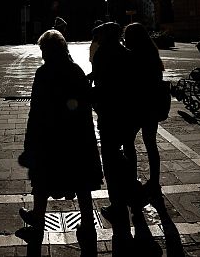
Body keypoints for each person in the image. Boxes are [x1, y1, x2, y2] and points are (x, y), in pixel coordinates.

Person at [15, 30, 102, 255]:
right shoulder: (76, 70)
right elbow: (86, 103)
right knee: (81, 182)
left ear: (49, 51)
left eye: (44, 50)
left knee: (42, 180)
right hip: (76, 137)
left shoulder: (43, 73)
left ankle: (37, 223)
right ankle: (88, 225)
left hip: (50, 137)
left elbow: (36, 111)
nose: (42, 55)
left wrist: (29, 143)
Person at [90, 21, 143, 247]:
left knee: (110, 159)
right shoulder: (127, 53)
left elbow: (102, 84)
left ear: (106, 36)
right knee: (128, 153)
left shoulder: (103, 53)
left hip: (110, 115)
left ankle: (116, 204)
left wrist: (89, 93)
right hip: (129, 115)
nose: (97, 39)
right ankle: (133, 193)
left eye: (99, 35)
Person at [122, 22, 165, 196]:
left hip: (136, 107)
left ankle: (132, 178)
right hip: (152, 106)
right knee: (150, 144)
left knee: (128, 143)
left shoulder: (132, 56)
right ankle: (154, 180)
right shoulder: (152, 53)